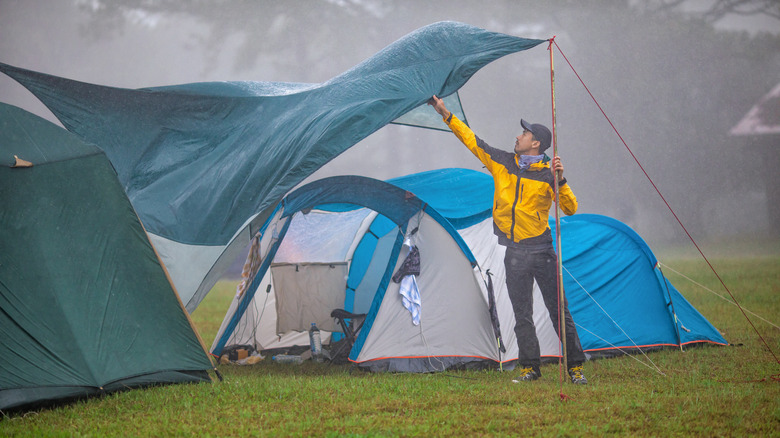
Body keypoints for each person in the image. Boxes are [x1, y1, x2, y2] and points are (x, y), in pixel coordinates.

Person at [427, 95, 587, 385]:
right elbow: (472, 141)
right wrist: (445, 114)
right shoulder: (502, 161)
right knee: (521, 313)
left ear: (536, 143)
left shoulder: (549, 173)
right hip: (514, 252)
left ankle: (575, 367)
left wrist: (560, 181)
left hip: (542, 251)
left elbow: (570, 208)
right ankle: (530, 368)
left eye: (524, 134)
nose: (518, 136)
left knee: (558, 311)